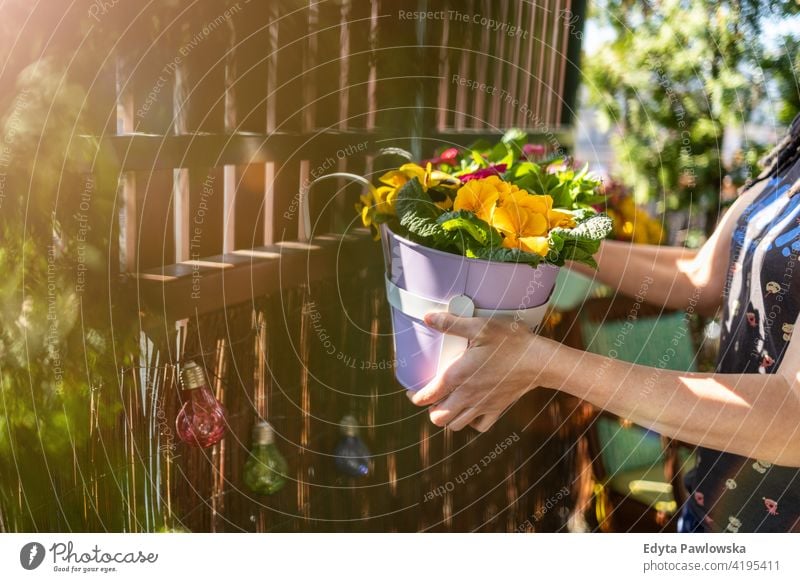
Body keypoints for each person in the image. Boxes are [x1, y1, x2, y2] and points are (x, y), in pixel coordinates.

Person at [407, 117, 800, 533]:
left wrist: (545, 363)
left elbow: (793, 415)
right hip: (713, 504)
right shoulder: (792, 152)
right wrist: (548, 239)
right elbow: (701, 274)